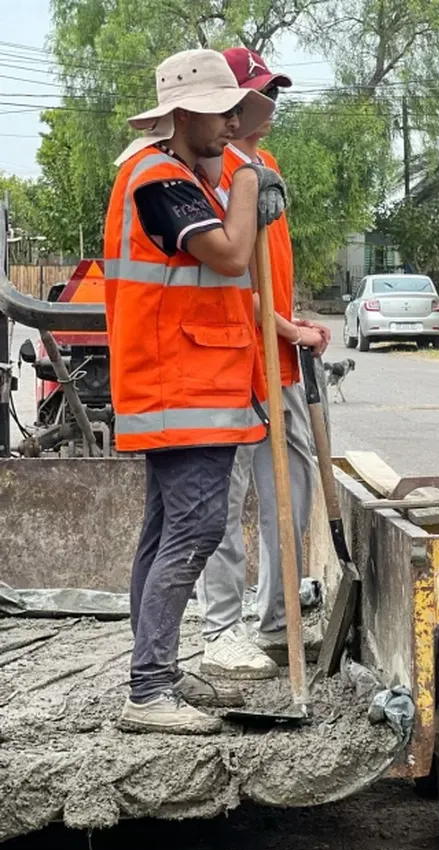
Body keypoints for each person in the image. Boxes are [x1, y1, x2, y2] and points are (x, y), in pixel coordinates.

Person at [105, 49, 288, 734]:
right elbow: (233, 255)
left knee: (165, 533)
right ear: (182, 116)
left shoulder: (179, 174)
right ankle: (148, 691)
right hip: (179, 386)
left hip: (190, 382)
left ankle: (155, 672)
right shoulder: (161, 180)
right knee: (195, 528)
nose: (231, 124)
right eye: (220, 113)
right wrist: (247, 185)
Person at [194, 48, 330, 680]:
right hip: (227, 360)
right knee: (223, 500)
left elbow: (270, 269)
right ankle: (222, 626)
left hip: (277, 364)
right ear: (228, 100)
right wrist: (285, 325)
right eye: (259, 92)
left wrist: (291, 326)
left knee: (292, 491)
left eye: (274, 91)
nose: (270, 103)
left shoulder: (266, 165)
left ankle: (278, 619)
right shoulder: (207, 174)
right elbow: (222, 272)